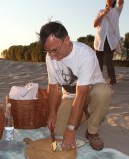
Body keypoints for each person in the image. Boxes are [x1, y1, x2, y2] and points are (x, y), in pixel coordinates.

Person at [39, 21, 113, 151]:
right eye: (48, 51)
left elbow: (81, 95)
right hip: (70, 96)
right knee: (58, 133)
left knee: (103, 92)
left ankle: (92, 131)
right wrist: (52, 113)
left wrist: (71, 129)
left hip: (89, 93)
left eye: (55, 50)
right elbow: (52, 87)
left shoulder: (85, 55)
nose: (52, 55)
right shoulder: (50, 57)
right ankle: (83, 113)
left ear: (66, 40)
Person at [93, 0, 124, 86]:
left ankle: (112, 81)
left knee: (108, 61)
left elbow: (121, 1)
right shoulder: (100, 11)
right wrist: (103, 14)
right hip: (99, 41)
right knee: (98, 63)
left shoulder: (117, 11)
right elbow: (95, 24)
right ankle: (97, 81)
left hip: (111, 40)